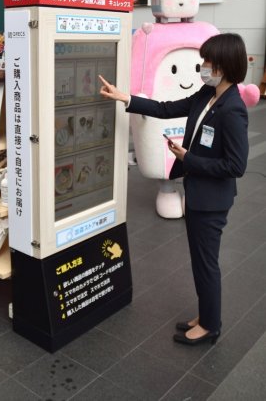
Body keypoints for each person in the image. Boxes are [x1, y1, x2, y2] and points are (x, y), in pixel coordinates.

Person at [99, 32, 249, 346]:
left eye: (208, 62)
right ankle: (206, 315)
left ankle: (210, 326)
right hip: (198, 194)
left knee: (206, 263)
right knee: (199, 260)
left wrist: (189, 159)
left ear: (223, 64)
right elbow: (166, 108)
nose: (203, 67)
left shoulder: (232, 109)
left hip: (212, 201)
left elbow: (236, 166)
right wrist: (125, 98)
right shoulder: (208, 95)